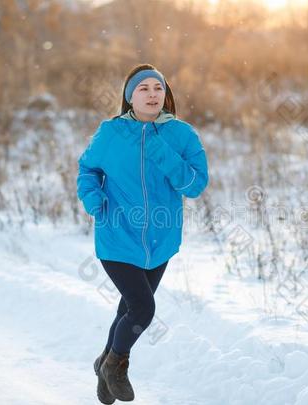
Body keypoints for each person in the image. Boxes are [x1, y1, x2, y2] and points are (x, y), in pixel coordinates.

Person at [76, 63, 209, 403]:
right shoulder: (111, 133)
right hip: (117, 235)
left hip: (160, 241)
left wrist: (161, 150)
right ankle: (117, 364)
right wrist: (94, 200)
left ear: (166, 95)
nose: (152, 94)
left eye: (158, 88)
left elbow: (195, 184)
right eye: (143, 88)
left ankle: (105, 362)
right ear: (129, 96)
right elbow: (87, 169)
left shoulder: (181, 135)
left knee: (127, 309)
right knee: (142, 308)